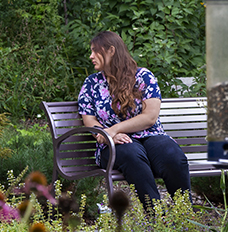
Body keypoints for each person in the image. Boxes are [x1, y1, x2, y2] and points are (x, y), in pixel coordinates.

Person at [77, 31, 191, 208]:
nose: (91, 56)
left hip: (150, 135)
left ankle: (185, 216)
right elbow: (89, 120)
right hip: (113, 144)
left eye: (95, 51)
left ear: (111, 51)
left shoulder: (143, 77)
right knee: (132, 155)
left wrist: (114, 129)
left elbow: (150, 117)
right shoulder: (91, 84)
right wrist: (108, 136)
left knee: (172, 155)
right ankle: (155, 219)